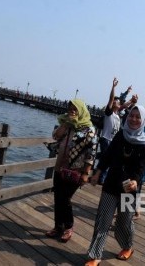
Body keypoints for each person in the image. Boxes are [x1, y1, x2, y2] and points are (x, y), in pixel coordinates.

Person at [86, 105, 145, 265]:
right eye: (131, 116)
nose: (133, 119)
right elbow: (107, 156)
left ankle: (127, 246)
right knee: (103, 220)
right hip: (111, 183)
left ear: (142, 119)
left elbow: (142, 167)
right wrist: (97, 171)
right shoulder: (119, 136)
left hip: (129, 188)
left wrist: (136, 180)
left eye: (138, 117)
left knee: (124, 222)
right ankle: (95, 255)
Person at [45, 99, 98, 243]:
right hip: (59, 167)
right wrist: (66, 123)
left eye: (75, 109)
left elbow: (91, 153)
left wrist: (86, 173)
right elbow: (55, 136)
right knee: (58, 197)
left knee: (65, 198)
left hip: (75, 170)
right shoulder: (66, 123)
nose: (72, 111)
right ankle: (58, 226)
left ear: (81, 110)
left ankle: (69, 227)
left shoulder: (89, 129)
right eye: (70, 109)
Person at [98, 78, 137, 184]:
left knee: (110, 160)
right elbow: (111, 99)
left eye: (118, 101)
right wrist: (113, 87)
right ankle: (101, 180)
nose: (117, 102)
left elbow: (124, 105)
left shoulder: (117, 114)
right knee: (107, 160)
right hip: (105, 139)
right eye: (115, 101)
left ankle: (102, 177)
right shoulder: (109, 113)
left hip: (113, 141)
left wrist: (132, 101)